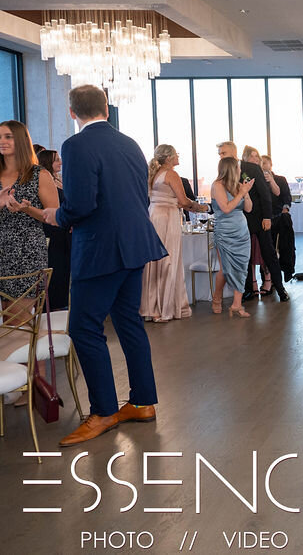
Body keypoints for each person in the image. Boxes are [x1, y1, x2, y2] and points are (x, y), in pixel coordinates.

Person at [41, 85, 167, 447]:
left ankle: (104, 412)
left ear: (71, 113)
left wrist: (56, 215)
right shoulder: (130, 143)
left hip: (100, 250)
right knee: (128, 323)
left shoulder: (76, 145)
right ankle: (142, 402)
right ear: (106, 110)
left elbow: (80, 205)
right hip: (135, 244)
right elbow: (138, 196)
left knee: (83, 328)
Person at [0, 121, 59, 325]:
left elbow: (55, 216)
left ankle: (31, 357)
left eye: (8, 136)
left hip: (25, 254)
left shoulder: (38, 175)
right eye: (0, 137)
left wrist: (27, 209)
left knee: (18, 323)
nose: (2, 141)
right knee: (8, 325)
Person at [216, 142, 288, 302]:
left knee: (268, 253)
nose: (221, 156)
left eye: (223, 153)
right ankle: (247, 290)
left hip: (259, 218)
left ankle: (281, 289)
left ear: (234, 153)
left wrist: (267, 217)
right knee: (244, 257)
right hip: (239, 221)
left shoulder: (252, 168)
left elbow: (265, 195)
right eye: (220, 154)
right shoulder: (224, 173)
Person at [140, 145, 204, 323]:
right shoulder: (171, 174)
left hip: (153, 215)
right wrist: (200, 207)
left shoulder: (153, 174)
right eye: (176, 153)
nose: (178, 156)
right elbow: (183, 201)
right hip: (167, 218)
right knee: (169, 259)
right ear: (168, 158)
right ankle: (165, 308)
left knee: (155, 261)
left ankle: (152, 308)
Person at [210, 156, 254, 317]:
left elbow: (248, 209)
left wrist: (246, 193)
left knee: (242, 267)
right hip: (225, 232)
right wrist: (240, 193)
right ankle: (217, 298)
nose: (240, 171)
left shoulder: (237, 186)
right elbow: (226, 208)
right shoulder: (217, 185)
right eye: (238, 167)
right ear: (231, 169)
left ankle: (237, 304)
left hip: (242, 231)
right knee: (226, 269)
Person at [36, 149, 71, 310]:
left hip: (63, 229)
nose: (60, 162)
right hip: (52, 229)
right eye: (56, 160)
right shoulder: (45, 180)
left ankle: (62, 302)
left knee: (64, 267)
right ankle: (53, 304)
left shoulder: (59, 179)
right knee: (55, 265)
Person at [262, 155, 295, 282]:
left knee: (286, 239)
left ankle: (287, 269)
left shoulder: (280, 179)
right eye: (261, 163)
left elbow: (285, 196)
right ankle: (268, 277)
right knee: (267, 248)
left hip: (280, 215)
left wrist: (284, 209)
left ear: (270, 164)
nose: (263, 166)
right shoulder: (258, 181)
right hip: (266, 218)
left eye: (265, 163)